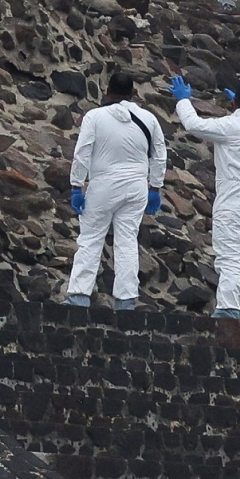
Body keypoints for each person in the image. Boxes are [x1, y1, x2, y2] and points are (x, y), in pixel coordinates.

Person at [168, 76, 240, 321]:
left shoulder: (231, 126)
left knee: (229, 255)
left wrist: (184, 100)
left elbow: (194, 125)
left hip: (234, 198)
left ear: (236, 103)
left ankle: (229, 307)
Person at [64, 72, 166, 309]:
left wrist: (76, 186)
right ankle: (126, 300)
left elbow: (83, 152)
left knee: (91, 238)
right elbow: (160, 156)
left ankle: (79, 296)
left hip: (103, 185)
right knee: (127, 240)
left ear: (107, 91)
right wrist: (155, 187)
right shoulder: (149, 119)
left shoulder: (95, 116)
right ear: (132, 93)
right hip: (137, 187)